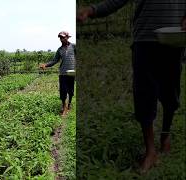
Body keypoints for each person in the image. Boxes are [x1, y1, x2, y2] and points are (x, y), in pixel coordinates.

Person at [78, 0, 186, 173]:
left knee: (171, 93)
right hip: (145, 38)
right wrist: (92, 10)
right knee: (144, 94)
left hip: (175, 39)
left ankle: (165, 135)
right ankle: (150, 150)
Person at [40, 31, 76, 116]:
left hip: (71, 72)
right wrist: (46, 65)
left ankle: (69, 104)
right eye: (60, 38)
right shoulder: (59, 50)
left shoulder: (74, 46)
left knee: (70, 90)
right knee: (63, 90)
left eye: (63, 37)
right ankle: (64, 107)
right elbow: (55, 60)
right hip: (63, 73)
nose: (61, 39)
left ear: (67, 37)